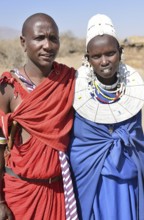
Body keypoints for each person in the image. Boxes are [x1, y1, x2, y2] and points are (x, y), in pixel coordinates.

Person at [0, 13, 78, 220]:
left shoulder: (69, 80)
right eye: (39, 38)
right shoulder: (8, 88)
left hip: (59, 191)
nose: (48, 45)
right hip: (21, 194)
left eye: (54, 38)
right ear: (23, 42)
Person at [69, 14, 144, 220]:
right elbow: (79, 145)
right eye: (96, 56)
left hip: (128, 179)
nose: (104, 61)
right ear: (87, 59)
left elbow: (137, 139)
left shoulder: (134, 93)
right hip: (93, 183)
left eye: (110, 53)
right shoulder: (73, 92)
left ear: (120, 52)